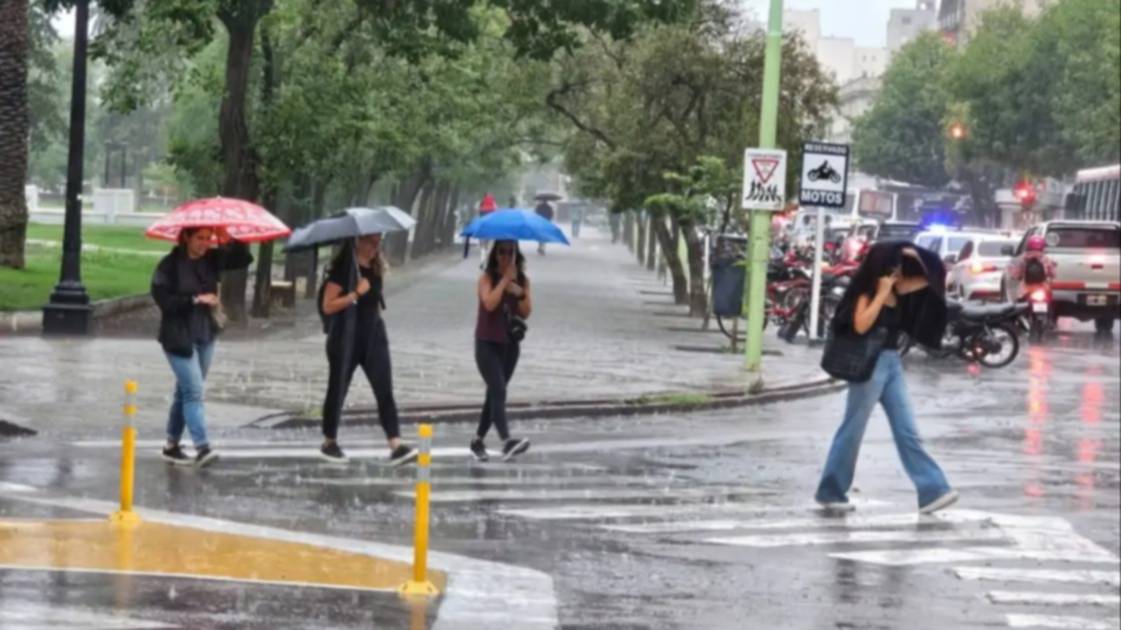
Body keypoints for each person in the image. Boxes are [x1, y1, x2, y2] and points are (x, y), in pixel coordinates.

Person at [815, 242, 959, 514]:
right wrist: (880, 293)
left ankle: (933, 490)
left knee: (907, 430)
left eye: (900, 266)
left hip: (892, 363)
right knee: (853, 429)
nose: (897, 271)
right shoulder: (867, 291)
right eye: (892, 265)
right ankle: (831, 490)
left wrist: (913, 254)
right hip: (870, 364)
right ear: (881, 266)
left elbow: (932, 276)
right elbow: (860, 325)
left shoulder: (899, 288)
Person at [151, 226, 252, 467]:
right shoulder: (169, 266)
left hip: (206, 333)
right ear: (186, 237)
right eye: (199, 238)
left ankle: (171, 445)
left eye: (209, 238)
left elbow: (244, 259)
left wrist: (229, 241)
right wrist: (196, 300)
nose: (204, 243)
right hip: (178, 337)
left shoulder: (211, 259)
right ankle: (202, 446)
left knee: (184, 392)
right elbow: (164, 301)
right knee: (194, 391)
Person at [318, 234, 416, 466]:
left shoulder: (375, 267)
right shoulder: (343, 269)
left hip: (373, 336)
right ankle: (329, 442)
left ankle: (395, 444)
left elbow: (375, 303)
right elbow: (328, 305)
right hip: (346, 337)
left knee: (384, 389)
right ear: (357, 242)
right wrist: (355, 294)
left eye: (378, 241)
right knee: (338, 388)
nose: (376, 247)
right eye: (371, 242)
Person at [470, 240, 533, 462]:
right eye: (502, 252)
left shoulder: (523, 280)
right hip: (486, 342)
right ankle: (507, 441)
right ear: (495, 255)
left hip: (510, 345)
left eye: (510, 252)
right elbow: (488, 303)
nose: (506, 256)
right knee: (498, 389)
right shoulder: (486, 278)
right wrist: (504, 281)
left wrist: (519, 293)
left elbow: (526, 312)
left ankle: (477, 440)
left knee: (494, 393)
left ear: (517, 255)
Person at [478, 194, 499, 265]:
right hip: (491, 229)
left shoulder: (482, 204)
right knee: (490, 245)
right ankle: (488, 261)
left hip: (483, 228)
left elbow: (479, 216)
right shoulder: (494, 205)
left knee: (483, 246)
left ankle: (482, 261)